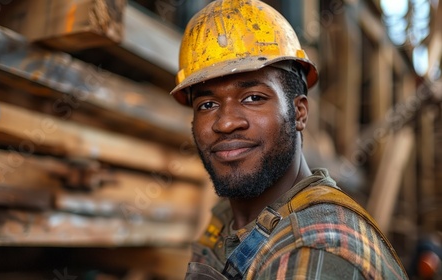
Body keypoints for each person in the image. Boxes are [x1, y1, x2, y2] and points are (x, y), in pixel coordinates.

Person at [170, 0, 409, 279]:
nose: (225, 122)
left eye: (253, 98)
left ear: (299, 112)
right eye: (207, 105)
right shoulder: (227, 218)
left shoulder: (314, 252)